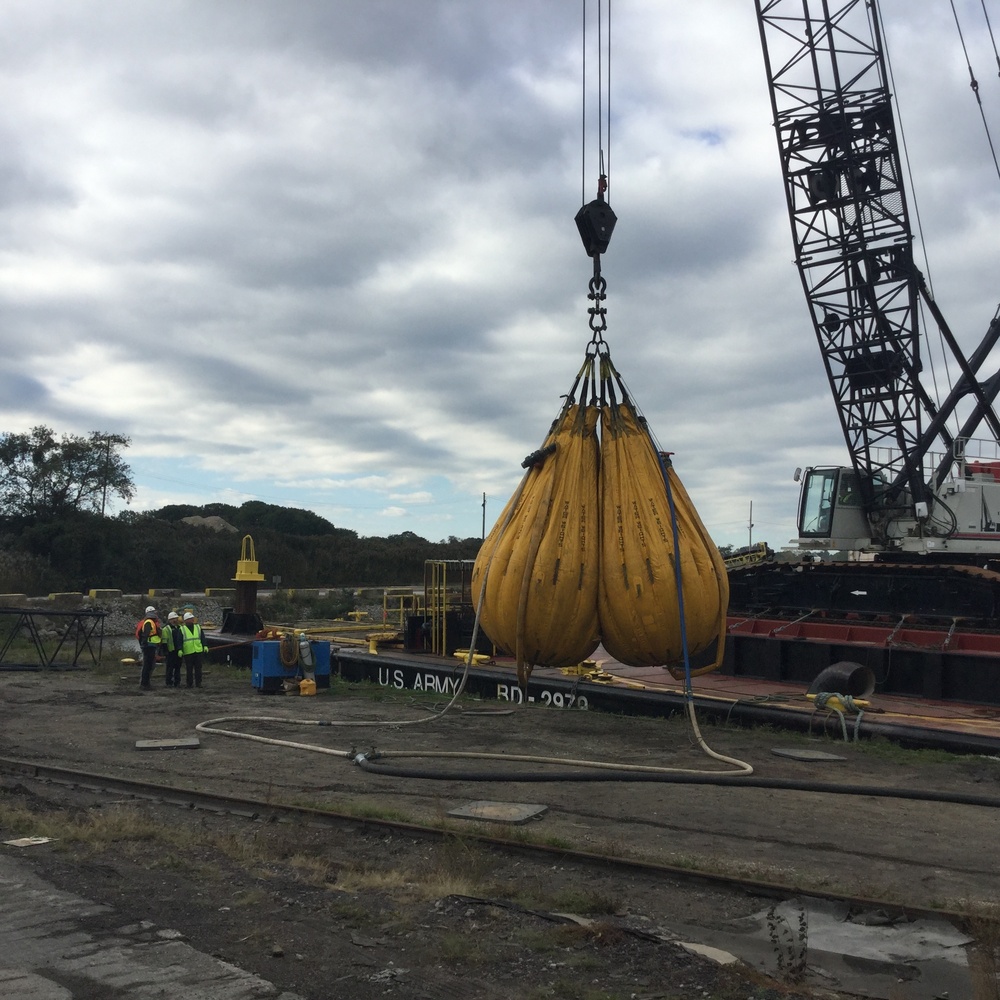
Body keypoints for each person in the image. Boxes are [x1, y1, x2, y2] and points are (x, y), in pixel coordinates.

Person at [137, 606, 162, 690]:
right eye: (154, 612)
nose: (156, 614)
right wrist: (144, 644)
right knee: (147, 666)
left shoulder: (151, 622)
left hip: (151, 646)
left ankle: (146, 683)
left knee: (149, 665)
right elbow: (145, 634)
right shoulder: (149, 622)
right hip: (148, 646)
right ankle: (145, 684)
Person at [180, 611, 207, 688]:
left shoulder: (198, 627)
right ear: (186, 620)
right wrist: (180, 649)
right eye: (190, 619)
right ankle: (189, 683)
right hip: (188, 652)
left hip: (198, 651)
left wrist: (205, 645)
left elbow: (202, 637)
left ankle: (198, 683)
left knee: (198, 669)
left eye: (192, 618)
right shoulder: (182, 629)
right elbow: (180, 640)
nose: (192, 620)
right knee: (189, 669)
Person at [162, 611, 183, 688]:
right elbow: (164, 641)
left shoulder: (180, 628)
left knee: (178, 667)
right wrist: (165, 651)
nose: (175, 620)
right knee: (170, 668)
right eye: (173, 619)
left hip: (178, 651)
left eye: (176, 618)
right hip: (171, 651)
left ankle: (177, 682)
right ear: (170, 620)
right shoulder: (166, 629)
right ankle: (169, 682)